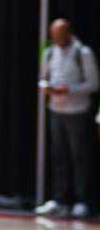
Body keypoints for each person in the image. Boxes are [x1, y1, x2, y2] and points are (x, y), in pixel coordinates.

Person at [35, 19, 99, 219]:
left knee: (79, 157)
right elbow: (42, 77)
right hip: (56, 109)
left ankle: (82, 201)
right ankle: (60, 200)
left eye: (60, 35)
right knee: (59, 156)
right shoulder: (49, 52)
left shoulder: (83, 53)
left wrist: (69, 90)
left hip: (77, 111)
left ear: (69, 33)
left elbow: (94, 84)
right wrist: (47, 87)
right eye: (53, 35)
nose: (56, 39)